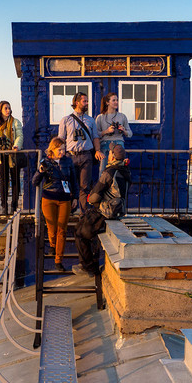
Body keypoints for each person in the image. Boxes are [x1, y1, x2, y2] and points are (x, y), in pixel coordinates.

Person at [74, 145, 131, 277]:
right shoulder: (125, 170)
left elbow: (94, 195)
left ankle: (89, 268)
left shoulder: (109, 172)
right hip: (118, 210)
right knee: (82, 229)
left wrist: (91, 200)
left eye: (110, 153)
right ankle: (90, 265)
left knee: (80, 234)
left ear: (112, 156)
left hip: (105, 211)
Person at [32, 137, 77, 271]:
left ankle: (58, 260)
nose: (62, 152)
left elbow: (74, 180)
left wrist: (74, 197)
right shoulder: (45, 161)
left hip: (65, 199)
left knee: (62, 230)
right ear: (53, 149)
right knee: (51, 227)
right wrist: (40, 171)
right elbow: (35, 182)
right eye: (59, 150)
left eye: (63, 149)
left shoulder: (68, 161)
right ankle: (52, 245)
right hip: (49, 198)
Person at [58, 92, 103, 212]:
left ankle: (83, 213)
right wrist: (58, 153)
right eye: (85, 101)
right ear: (77, 103)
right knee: (69, 185)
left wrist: (97, 150)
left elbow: (95, 137)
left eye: (87, 101)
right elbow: (61, 139)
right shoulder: (66, 120)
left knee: (84, 186)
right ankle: (69, 211)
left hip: (86, 156)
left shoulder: (90, 120)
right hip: (70, 156)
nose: (87, 103)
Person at [0, 100, 23, 213]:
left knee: (15, 180)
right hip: (1, 155)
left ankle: (14, 204)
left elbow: (19, 135)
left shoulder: (15, 122)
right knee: (4, 181)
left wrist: (16, 146)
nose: (8, 110)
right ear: (0, 110)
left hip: (13, 155)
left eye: (9, 108)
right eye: (5, 108)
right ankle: (4, 206)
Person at [95, 92, 131, 173]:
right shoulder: (100, 117)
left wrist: (124, 130)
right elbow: (95, 134)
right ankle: (103, 186)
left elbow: (130, 133)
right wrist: (106, 131)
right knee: (103, 171)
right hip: (105, 146)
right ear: (107, 102)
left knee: (119, 171)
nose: (116, 102)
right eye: (114, 100)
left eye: (117, 100)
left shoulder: (122, 116)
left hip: (119, 146)